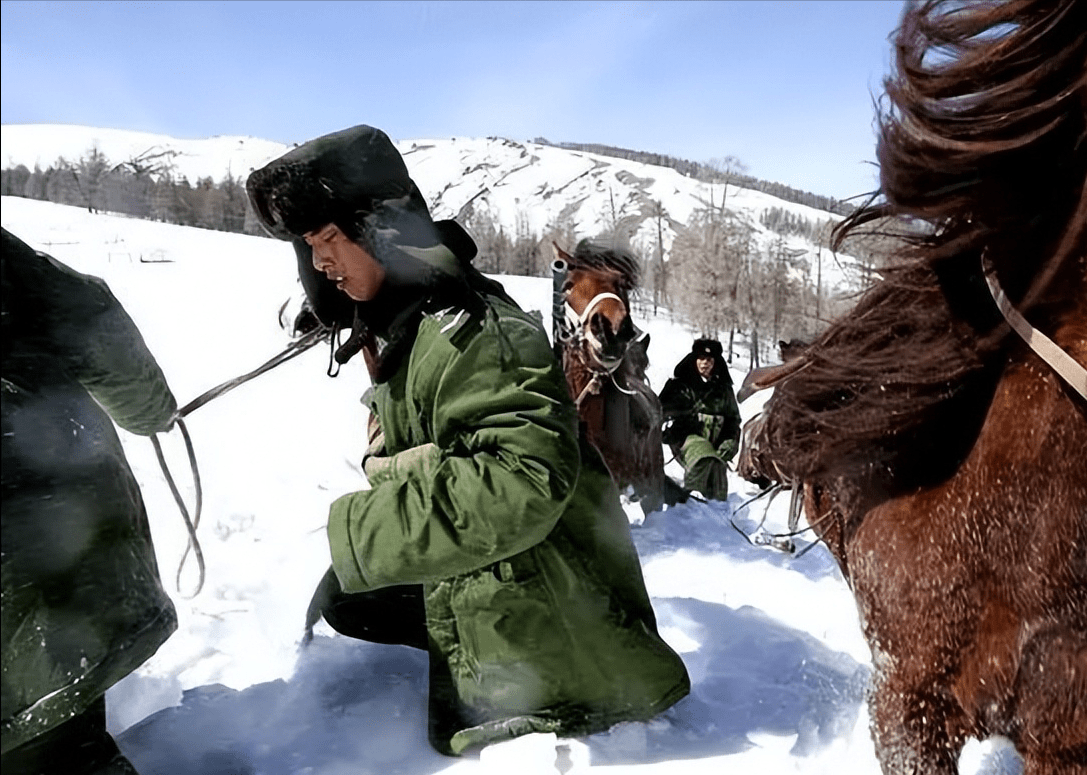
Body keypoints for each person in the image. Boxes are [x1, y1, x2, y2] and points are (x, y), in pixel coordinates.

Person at [245, 125, 689, 756]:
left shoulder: (483, 334)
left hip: (551, 591)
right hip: (507, 566)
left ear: (379, 230)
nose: (319, 262)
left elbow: (522, 482)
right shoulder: (408, 323)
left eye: (329, 239)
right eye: (308, 247)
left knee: (358, 565)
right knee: (350, 598)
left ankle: (537, 661)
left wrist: (361, 526)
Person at [1, 228, 179, 775]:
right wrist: (151, 409)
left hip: (35, 548)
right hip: (70, 530)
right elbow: (90, 316)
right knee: (59, 716)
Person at [659, 339, 741, 502]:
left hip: (716, 442)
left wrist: (730, 443)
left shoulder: (724, 389)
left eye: (709, 360)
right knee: (704, 459)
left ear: (716, 362)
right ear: (694, 359)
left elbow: (733, 421)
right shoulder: (679, 385)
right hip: (687, 439)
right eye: (701, 358)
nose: (705, 363)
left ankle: (716, 511)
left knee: (717, 470)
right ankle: (691, 502)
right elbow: (659, 412)